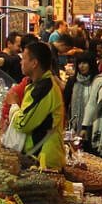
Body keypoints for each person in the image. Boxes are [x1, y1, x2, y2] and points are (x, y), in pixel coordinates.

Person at [11, 39, 66, 169]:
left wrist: (14, 106)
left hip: (44, 160)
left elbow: (23, 124)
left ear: (34, 63)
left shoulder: (44, 88)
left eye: (24, 58)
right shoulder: (38, 84)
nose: (21, 62)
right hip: (38, 156)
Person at [63, 52, 96, 133]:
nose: (81, 66)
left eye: (84, 63)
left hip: (93, 125)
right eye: (79, 63)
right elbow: (65, 103)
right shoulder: (73, 81)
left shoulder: (96, 82)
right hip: (74, 125)